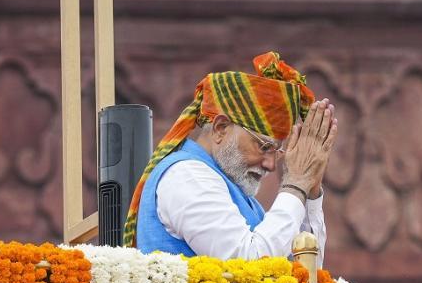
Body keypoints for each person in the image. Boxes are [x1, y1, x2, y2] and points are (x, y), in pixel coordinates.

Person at [123, 52, 337, 262]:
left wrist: (310, 188)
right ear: (221, 128)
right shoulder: (187, 176)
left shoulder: (241, 198)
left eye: (276, 151)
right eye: (263, 147)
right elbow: (249, 262)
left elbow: (304, 274)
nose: (271, 165)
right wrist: (296, 184)